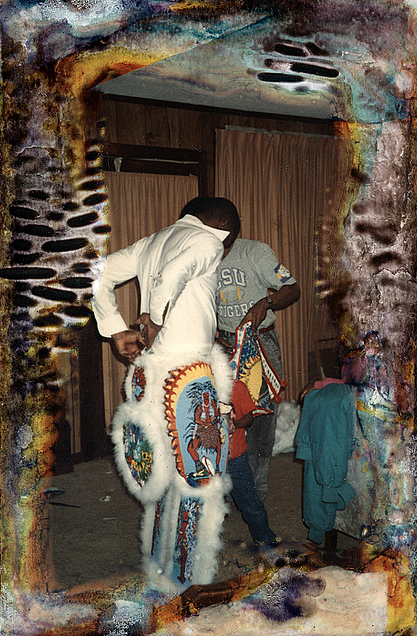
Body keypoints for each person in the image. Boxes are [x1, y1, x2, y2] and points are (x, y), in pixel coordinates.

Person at [92, 197, 241, 589]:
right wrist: (153, 319)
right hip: (187, 376)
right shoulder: (208, 241)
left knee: (161, 473)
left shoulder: (151, 241)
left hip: (149, 374)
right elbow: (174, 274)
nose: (222, 255)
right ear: (224, 228)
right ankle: (186, 583)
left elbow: (96, 272)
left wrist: (115, 328)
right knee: (199, 477)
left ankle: (159, 562)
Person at [216, 233, 300, 500]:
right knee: (225, 415)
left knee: (261, 416)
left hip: (259, 341)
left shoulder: (256, 252)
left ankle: (256, 489)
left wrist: (266, 302)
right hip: (222, 343)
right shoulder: (202, 253)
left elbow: (292, 288)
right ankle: (228, 486)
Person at [228, 378, 278, 548]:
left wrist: (234, 423)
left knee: (250, 504)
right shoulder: (198, 387)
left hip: (235, 457)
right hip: (209, 461)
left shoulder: (236, 387)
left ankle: (265, 540)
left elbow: (249, 418)